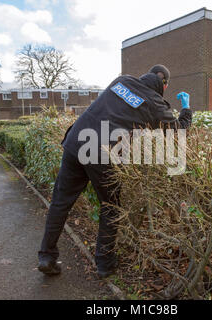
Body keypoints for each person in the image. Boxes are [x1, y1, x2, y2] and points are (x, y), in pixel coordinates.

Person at [38, 65, 193, 278]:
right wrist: (186, 109)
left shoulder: (122, 81)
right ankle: (104, 264)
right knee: (111, 207)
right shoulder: (155, 103)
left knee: (60, 202)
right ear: (164, 85)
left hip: (76, 141)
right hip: (102, 154)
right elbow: (178, 131)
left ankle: (46, 256)